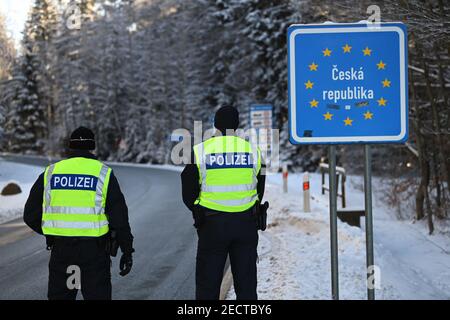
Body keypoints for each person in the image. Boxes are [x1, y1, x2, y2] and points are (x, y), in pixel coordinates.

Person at [23, 126, 134, 300]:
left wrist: (53, 232)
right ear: (92, 146)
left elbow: (30, 214)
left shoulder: (51, 172)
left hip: (61, 252)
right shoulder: (103, 173)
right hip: (94, 254)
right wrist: (127, 250)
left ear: (70, 146)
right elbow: (119, 218)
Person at [181, 106, 266, 300]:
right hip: (246, 224)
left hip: (212, 225)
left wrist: (197, 208)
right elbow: (259, 189)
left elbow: (187, 190)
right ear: (237, 125)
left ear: (215, 125)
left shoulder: (200, 151)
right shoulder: (254, 151)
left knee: (207, 286)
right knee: (246, 287)